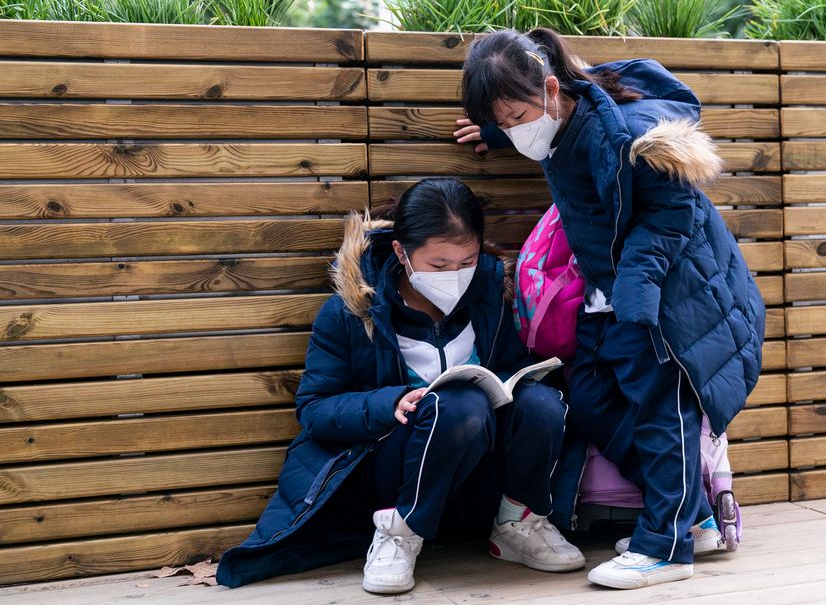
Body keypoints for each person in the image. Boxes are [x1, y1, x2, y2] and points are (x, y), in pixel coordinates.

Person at [456, 28, 765, 589]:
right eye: (503, 122)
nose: (515, 131)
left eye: (517, 116)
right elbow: (548, 138)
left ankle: (665, 547)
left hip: (668, 296)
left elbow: (675, 215)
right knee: (594, 397)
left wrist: (638, 288)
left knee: (661, 409)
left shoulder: (627, 136)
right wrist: (503, 135)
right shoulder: (559, 123)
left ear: (552, 90)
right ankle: (693, 516)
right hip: (608, 292)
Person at [215, 178, 585, 593]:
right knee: (459, 405)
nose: (455, 276)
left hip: (477, 472)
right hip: (392, 469)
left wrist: (518, 381)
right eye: (439, 266)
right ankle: (399, 534)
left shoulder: (488, 296)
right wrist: (387, 403)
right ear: (401, 253)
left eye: (467, 261)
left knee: (543, 403)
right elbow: (315, 409)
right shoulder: (350, 312)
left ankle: (519, 523)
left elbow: (513, 367)